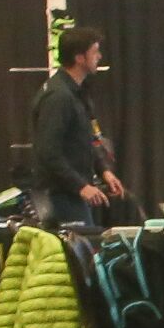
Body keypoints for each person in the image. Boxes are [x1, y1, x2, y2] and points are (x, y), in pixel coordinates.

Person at [30, 26, 125, 228]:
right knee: (81, 246)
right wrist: (81, 186)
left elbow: (85, 139)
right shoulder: (59, 97)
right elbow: (48, 152)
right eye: (95, 51)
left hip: (71, 194)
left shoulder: (76, 93)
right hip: (59, 198)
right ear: (79, 58)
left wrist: (104, 171)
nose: (99, 56)